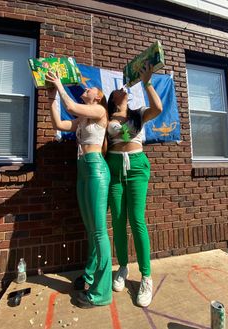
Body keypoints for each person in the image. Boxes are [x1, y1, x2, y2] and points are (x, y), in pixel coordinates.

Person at [45, 71, 112, 308]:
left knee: (99, 231)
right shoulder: (83, 121)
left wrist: (60, 85)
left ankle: (102, 293)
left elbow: (71, 106)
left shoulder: (100, 111)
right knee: (90, 228)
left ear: (98, 96)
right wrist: (52, 96)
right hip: (83, 169)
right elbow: (59, 123)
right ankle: (90, 275)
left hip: (96, 169)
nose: (88, 88)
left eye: (91, 88)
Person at [105, 63, 163, 307]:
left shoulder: (138, 113)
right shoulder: (105, 117)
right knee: (118, 220)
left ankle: (146, 277)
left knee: (136, 219)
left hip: (137, 166)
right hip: (115, 167)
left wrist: (147, 81)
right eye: (118, 92)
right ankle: (123, 268)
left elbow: (158, 108)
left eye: (124, 90)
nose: (122, 90)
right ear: (113, 99)